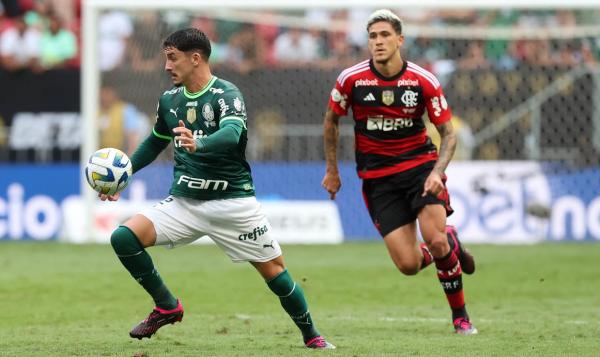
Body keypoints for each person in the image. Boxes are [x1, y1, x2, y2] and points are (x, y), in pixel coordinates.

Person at [99, 28, 335, 349]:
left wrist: (200, 142)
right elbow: (156, 141)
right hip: (185, 203)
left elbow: (232, 133)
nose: (167, 66)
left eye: (173, 58)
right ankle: (167, 306)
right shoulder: (169, 100)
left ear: (195, 58)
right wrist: (123, 174)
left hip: (233, 203)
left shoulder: (227, 94)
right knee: (123, 237)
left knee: (276, 274)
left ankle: (312, 335)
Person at [321, 9, 478, 335]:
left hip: (420, 169)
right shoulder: (351, 79)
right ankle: (450, 242)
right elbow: (331, 120)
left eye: (385, 35)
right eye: (373, 36)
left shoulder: (423, 80)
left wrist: (437, 171)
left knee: (433, 240)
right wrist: (332, 170)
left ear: (399, 40)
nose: (378, 42)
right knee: (408, 265)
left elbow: (449, 133)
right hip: (378, 179)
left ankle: (461, 316)